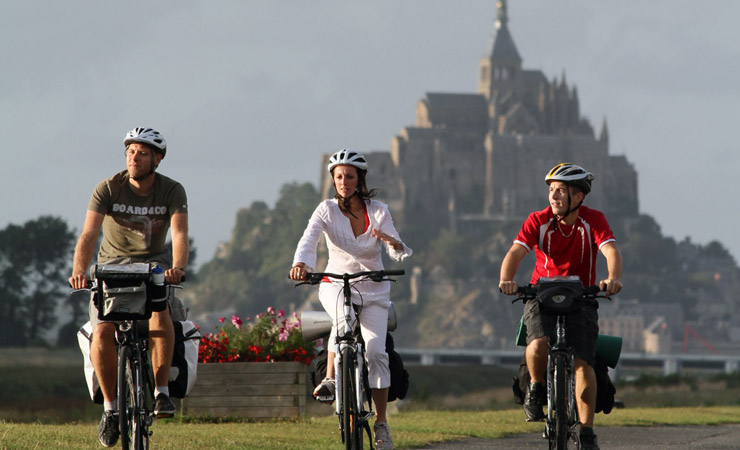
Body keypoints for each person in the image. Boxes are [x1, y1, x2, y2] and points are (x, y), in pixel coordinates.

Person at [69, 127, 188, 448]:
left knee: (159, 314)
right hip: (111, 270)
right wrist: (79, 271)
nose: (134, 158)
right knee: (103, 332)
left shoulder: (171, 190)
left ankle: (161, 393)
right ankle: (110, 409)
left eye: (143, 153)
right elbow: (89, 234)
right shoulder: (108, 188)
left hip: (154, 268)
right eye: (131, 152)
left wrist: (178, 268)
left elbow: (178, 234)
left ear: (157, 160)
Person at [289, 149, 412, 450]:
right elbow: (309, 238)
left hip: (373, 288)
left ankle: (381, 424)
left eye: (350, 176)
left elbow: (396, 244)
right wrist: (301, 263)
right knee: (342, 321)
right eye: (339, 176)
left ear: (360, 179)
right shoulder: (326, 209)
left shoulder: (379, 210)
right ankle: (331, 379)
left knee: (375, 351)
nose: (344, 182)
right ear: (333, 180)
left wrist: (394, 244)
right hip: (335, 283)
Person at [499, 162, 622, 450]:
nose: (553, 197)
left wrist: (613, 278)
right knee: (538, 343)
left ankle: (588, 432)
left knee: (583, 362)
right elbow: (516, 252)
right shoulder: (538, 220)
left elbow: (610, 250)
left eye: (560, 191)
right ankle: (536, 387)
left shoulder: (593, 220)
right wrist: (506, 279)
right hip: (541, 294)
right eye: (551, 191)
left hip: (581, 296)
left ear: (577, 197)